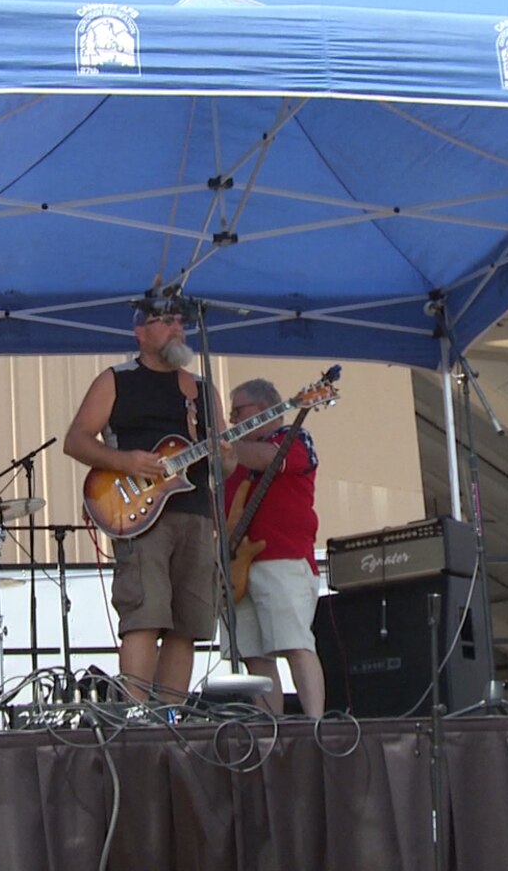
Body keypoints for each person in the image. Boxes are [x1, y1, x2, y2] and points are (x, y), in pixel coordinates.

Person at [64, 294, 224, 702]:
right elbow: (76, 440)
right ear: (140, 332)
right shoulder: (117, 379)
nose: (177, 327)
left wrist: (229, 451)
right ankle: (136, 720)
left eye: (180, 321)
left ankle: (169, 718)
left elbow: (227, 458)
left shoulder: (202, 389)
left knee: (187, 623)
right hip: (139, 513)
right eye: (165, 320)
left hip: (196, 512)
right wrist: (126, 461)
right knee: (145, 615)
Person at [224, 378, 324, 716]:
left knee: (295, 644)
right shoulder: (233, 457)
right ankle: (271, 727)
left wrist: (220, 446)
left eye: (239, 412)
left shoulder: (294, 438)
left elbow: (270, 458)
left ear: (265, 409)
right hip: (239, 564)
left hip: (282, 558)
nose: (233, 420)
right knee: (254, 654)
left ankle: (315, 724)